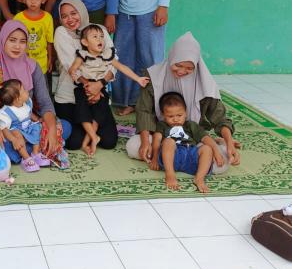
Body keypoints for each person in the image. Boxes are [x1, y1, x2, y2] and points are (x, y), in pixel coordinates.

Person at [126, 31, 241, 170]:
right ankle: (184, 157)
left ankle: (211, 145)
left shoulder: (204, 83)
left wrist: (229, 144)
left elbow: (220, 118)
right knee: (133, 147)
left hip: (193, 137)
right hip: (161, 134)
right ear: (171, 58)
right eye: (178, 65)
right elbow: (144, 110)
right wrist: (145, 142)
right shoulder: (153, 76)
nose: (182, 71)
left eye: (189, 68)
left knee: (220, 164)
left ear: (196, 66)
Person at [0, 20, 71, 165]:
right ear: (3, 39)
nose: (17, 46)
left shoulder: (33, 66)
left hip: (28, 123)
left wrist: (51, 130)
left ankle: (18, 151)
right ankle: (34, 149)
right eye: (12, 40)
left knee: (65, 126)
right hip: (1, 125)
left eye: (22, 41)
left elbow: (45, 103)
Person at [69, 23, 149, 155]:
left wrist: (138, 79)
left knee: (99, 114)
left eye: (101, 36)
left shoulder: (107, 55)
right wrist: (73, 72)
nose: (100, 39)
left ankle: (90, 140)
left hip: (101, 88)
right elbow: (73, 68)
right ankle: (92, 137)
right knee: (82, 111)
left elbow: (122, 67)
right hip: (84, 88)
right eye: (95, 37)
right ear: (85, 42)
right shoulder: (82, 55)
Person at [53, 0, 118, 151]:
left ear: (82, 11)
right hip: (69, 97)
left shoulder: (99, 30)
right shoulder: (62, 32)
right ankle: (89, 132)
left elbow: (113, 61)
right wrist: (91, 87)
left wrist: (99, 85)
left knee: (109, 142)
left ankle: (90, 132)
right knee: (73, 143)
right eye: (64, 16)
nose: (70, 19)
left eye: (73, 13)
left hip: (98, 95)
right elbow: (72, 67)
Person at [149, 91, 225, 194]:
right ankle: (170, 174)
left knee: (207, 148)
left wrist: (216, 152)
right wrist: (154, 158)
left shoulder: (191, 125)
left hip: (191, 155)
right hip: (173, 156)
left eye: (179, 115)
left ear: (186, 113)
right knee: (168, 141)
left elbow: (205, 138)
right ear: (164, 116)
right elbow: (156, 140)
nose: (175, 119)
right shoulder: (162, 125)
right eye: (170, 116)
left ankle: (199, 178)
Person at [0, 79, 49, 172]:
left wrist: (37, 119)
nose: (27, 90)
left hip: (28, 127)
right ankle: (26, 158)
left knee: (37, 127)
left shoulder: (27, 103)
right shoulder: (5, 112)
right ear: (17, 98)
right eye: (23, 90)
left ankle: (35, 153)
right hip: (16, 130)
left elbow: (29, 114)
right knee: (16, 133)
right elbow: (4, 129)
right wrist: (13, 140)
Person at [13, 0, 54, 77]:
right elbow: (13, 41)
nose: (32, 2)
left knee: (41, 86)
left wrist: (50, 59)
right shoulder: (18, 18)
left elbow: (49, 42)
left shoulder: (47, 18)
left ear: (43, 0)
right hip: (22, 64)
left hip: (41, 64)